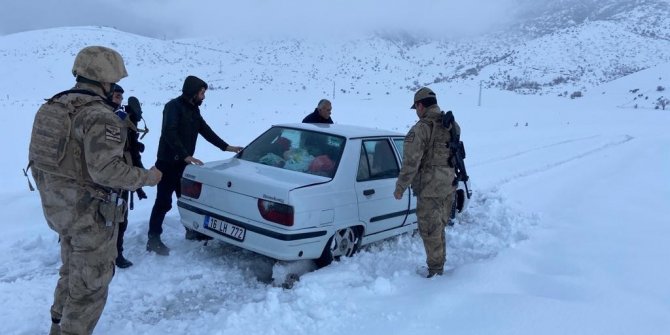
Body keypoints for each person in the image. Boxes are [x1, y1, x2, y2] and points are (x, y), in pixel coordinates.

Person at [29, 46, 162, 335]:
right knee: (92, 282)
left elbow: (42, 161)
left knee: (71, 269)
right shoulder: (98, 116)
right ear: (106, 79)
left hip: (58, 209)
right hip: (90, 215)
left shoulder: (53, 106)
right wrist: (148, 177)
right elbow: (107, 171)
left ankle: (57, 323)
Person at [147, 75, 243, 256]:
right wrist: (185, 155)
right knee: (163, 202)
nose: (203, 97)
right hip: (168, 163)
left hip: (184, 164)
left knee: (187, 200)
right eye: (201, 93)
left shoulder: (193, 110)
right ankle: (153, 239)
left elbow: (205, 130)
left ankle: (192, 230)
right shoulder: (172, 107)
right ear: (193, 92)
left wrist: (226, 147)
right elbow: (169, 133)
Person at [393, 87, 460, 278]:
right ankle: (439, 265)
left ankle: (436, 272)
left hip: (430, 188)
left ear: (420, 106)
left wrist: (400, 187)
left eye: (416, 108)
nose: (416, 111)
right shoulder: (452, 125)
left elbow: (411, 162)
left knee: (430, 230)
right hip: (449, 185)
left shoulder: (422, 129)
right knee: (438, 228)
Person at [111, 86, 148, 268]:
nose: (119, 99)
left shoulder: (123, 118)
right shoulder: (100, 116)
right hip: (106, 176)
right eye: (116, 96)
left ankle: (117, 254)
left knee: (121, 217)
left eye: (120, 97)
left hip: (120, 175)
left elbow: (132, 151)